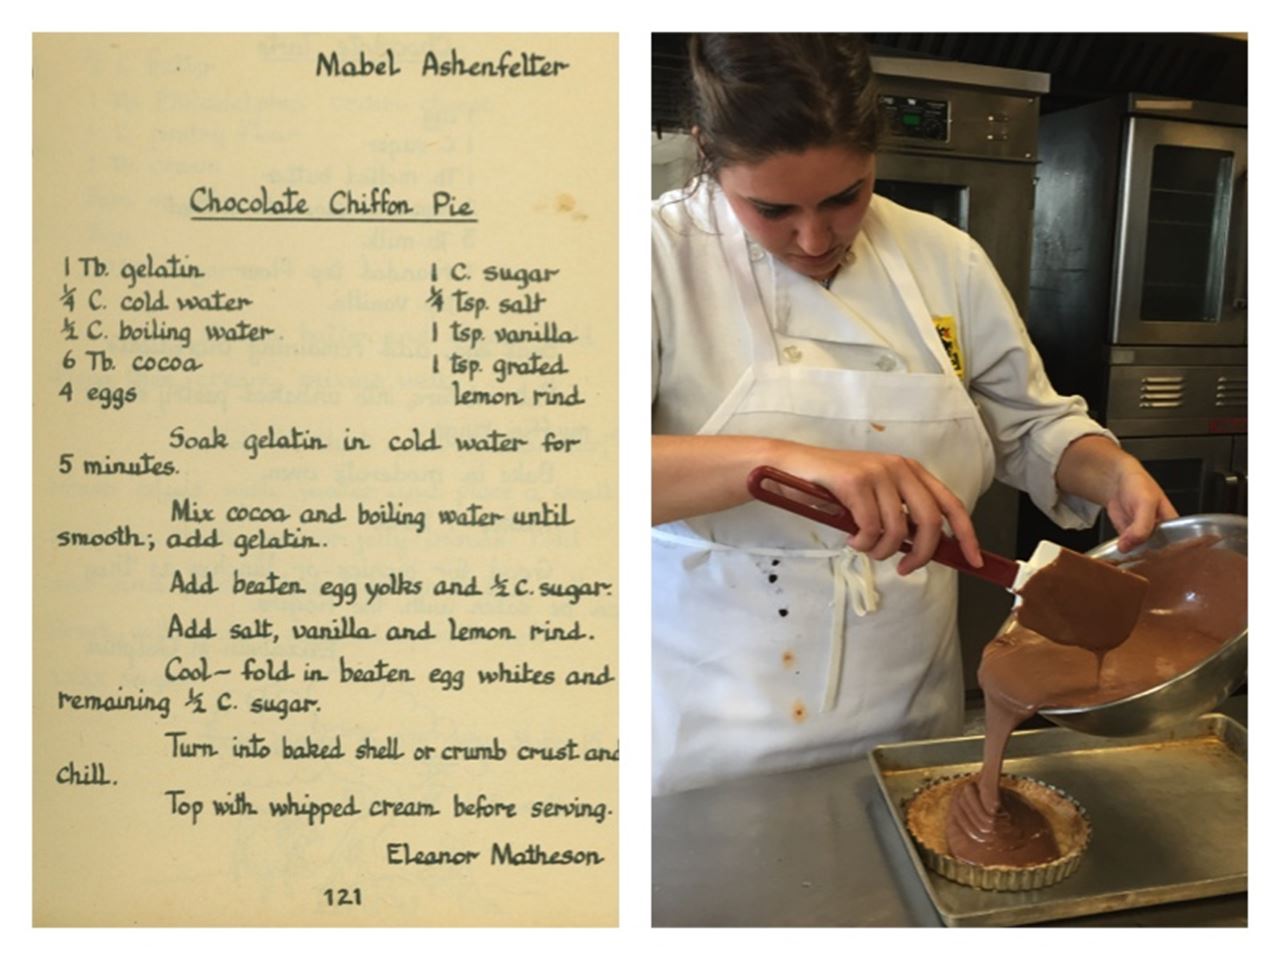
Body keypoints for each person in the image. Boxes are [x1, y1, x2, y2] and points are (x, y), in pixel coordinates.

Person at [651, 34, 1175, 796]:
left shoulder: (943, 257)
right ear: (706, 152)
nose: (815, 238)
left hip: (908, 706)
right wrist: (786, 459)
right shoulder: (653, 256)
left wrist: (1111, 470)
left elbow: (1031, 424)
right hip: (713, 717)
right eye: (772, 209)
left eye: (846, 197)